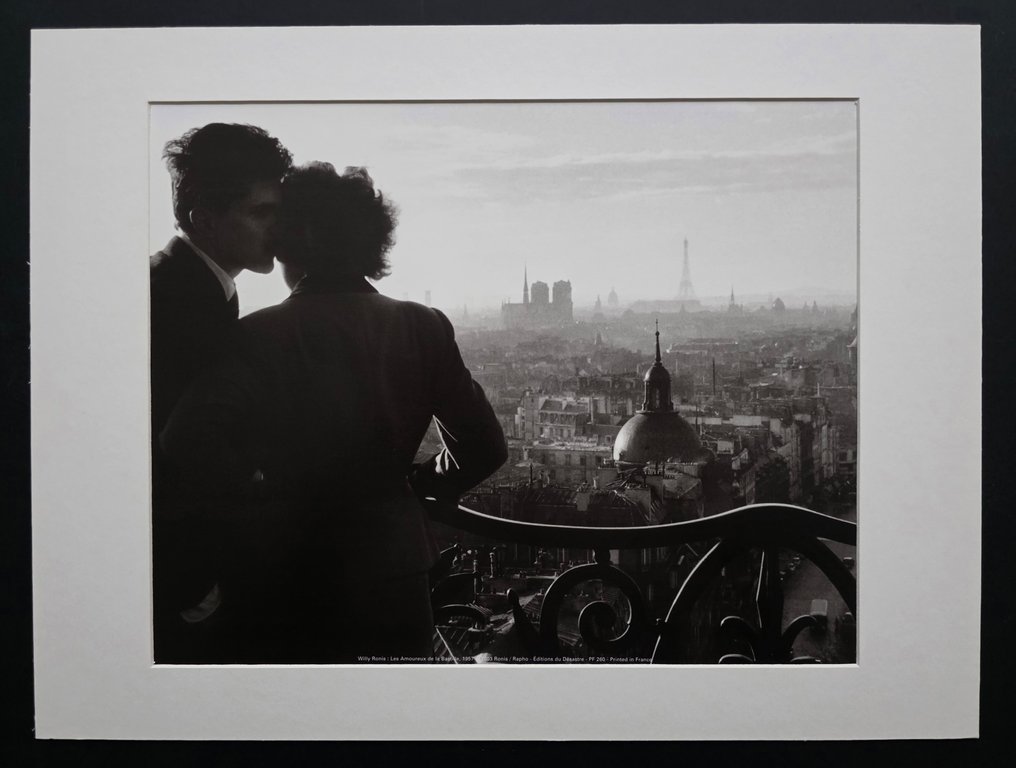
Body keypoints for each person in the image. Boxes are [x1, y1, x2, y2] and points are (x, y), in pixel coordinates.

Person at [161, 163, 507, 663]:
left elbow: (186, 438)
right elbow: (484, 448)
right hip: (392, 569)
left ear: (290, 244)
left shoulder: (257, 335)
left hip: (284, 567)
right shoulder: (422, 326)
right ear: (370, 242)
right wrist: (416, 483)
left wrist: (261, 485)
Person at [150, 123, 292, 662]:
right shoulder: (179, 302)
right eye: (261, 212)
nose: (279, 229)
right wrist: (192, 582)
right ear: (203, 218)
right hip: (181, 581)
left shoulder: (183, 285)